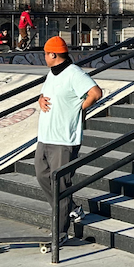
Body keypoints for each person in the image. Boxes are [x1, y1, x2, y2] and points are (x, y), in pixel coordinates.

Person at [36, 36, 103, 236]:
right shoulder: (52, 74)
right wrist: (40, 99)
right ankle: (71, 208)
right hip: (46, 136)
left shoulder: (74, 73)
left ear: (53, 54)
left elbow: (96, 92)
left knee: (61, 184)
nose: (44, 58)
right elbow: (46, 94)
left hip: (64, 139)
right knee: (41, 175)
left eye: (45, 54)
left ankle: (60, 233)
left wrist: (78, 109)